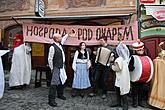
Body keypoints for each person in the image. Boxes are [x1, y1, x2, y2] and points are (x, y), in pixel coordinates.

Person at [48, 31, 75, 107]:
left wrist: (68, 34)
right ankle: (51, 100)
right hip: (56, 67)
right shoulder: (52, 47)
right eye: (59, 37)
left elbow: (64, 39)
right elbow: (50, 59)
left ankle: (60, 95)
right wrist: (52, 68)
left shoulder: (60, 44)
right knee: (54, 83)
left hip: (62, 66)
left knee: (61, 81)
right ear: (56, 39)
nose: (61, 38)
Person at [129, 40, 151, 108]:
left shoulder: (146, 56)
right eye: (139, 50)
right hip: (135, 77)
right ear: (136, 50)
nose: (141, 51)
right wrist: (131, 67)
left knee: (141, 90)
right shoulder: (133, 57)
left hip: (143, 77)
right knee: (135, 90)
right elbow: (129, 67)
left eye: (142, 49)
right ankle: (134, 102)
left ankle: (140, 102)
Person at [111, 43, 130, 110]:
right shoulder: (127, 58)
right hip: (125, 76)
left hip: (120, 77)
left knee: (121, 89)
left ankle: (125, 104)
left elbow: (117, 68)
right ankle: (119, 102)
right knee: (121, 88)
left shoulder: (119, 59)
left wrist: (111, 66)